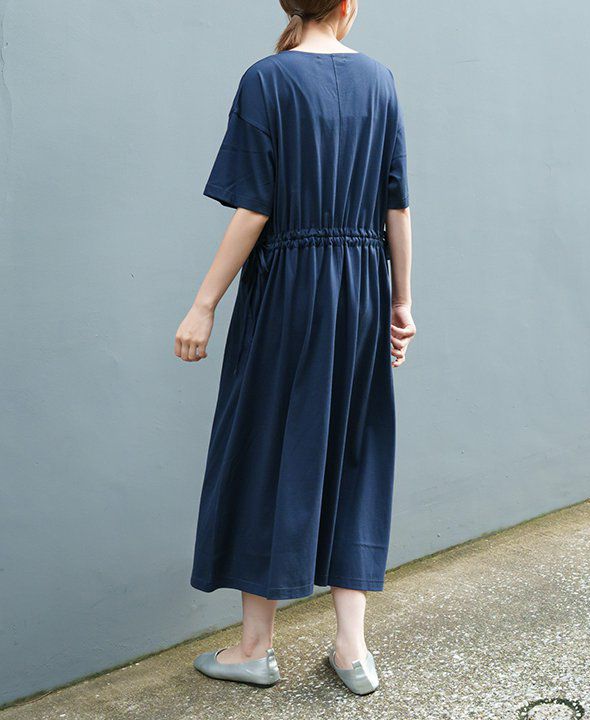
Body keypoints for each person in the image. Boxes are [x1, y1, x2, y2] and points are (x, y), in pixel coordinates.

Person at [174, 0, 415, 695]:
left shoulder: (266, 78)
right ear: (347, 6)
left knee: (269, 443)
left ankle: (255, 647)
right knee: (353, 445)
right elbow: (396, 205)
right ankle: (352, 648)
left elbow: (256, 207)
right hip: (362, 287)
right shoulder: (380, 79)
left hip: (288, 289)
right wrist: (400, 301)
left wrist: (204, 304)